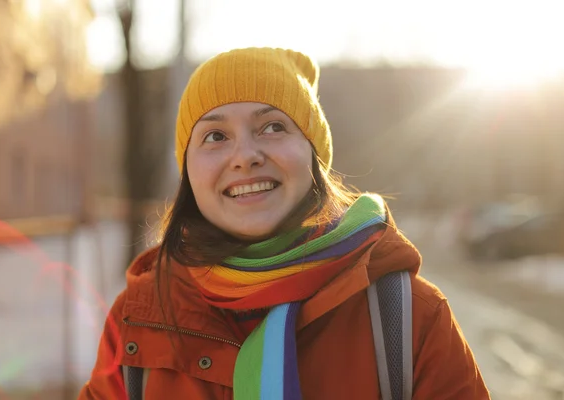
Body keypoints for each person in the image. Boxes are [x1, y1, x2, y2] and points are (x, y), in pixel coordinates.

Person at [78, 47, 489, 399]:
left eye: (273, 127)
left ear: (313, 157)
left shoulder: (407, 316)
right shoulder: (138, 320)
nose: (245, 155)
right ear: (188, 173)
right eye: (215, 136)